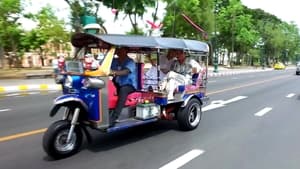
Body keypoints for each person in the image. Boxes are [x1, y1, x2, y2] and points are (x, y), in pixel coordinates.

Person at [109, 47, 137, 126]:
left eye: (121, 50)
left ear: (126, 51)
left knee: (123, 90)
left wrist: (113, 72)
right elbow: (105, 65)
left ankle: (114, 117)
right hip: (118, 83)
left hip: (129, 85)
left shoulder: (130, 62)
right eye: (118, 50)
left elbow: (125, 72)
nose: (119, 51)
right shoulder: (114, 60)